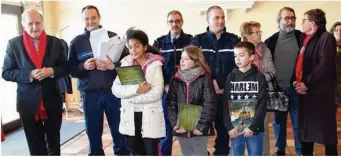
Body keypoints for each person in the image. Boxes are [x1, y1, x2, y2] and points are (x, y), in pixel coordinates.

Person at [1, 9, 68, 155]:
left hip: (52, 101)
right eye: (30, 23)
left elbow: (65, 68)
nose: (35, 27)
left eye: (38, 23)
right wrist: (29, 74)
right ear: (23, 24)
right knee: (35, 145)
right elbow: (6, 73)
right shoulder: (14, 44)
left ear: (42, 23)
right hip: (27, 103)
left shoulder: (56, 43)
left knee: (54, 142)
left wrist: (51, 71)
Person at [67, 5, 130, 155]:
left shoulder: (114, 37)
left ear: (99, 17)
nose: (90, 22)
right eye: (86, 19)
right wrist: (83, 66)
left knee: (118, 129)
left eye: (93, 18)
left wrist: (111, 66)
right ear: (82, 20)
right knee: (93, 132)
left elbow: (128, 63)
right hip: (90, 95)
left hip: (113, 92)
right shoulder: (76, 42)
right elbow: (70, 70)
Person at [191, 5, 240, 155]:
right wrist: (210, 80)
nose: (220, 21)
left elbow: (239, 64)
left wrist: (227, 84)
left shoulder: (233, 39)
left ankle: (222, 152)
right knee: (202, 125)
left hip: (226, 92)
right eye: (216, 17)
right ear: (207, 19)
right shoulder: (197, 40)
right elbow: (194, 64)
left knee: (224, 126)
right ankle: (201, 152)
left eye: (222, 17)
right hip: (203, 92)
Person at [112, 28, 165, 156]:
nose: (133, 50)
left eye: (137, 46)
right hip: (130, 114)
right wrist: (137, 90)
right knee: (136, 151)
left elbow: (157, 92)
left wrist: (131, 97)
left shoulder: (155, 64)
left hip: (149, 114)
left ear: (145, 47)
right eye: (130, 47)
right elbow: (115, 89)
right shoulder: (126, 63)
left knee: (151, 152)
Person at [292, 8, 338, 155]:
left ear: (313, 23)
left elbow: (324, 65)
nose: (301, 23)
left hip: (320, 95)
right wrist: (296, 81)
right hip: (306, 94)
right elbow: (300, 63)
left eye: (304, 20)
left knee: (326, 134)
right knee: (306, 133)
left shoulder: (327, 37)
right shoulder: (305, 39)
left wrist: (306, 83)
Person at [153, 10, 192, 156]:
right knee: (166, 128)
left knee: (187, 125)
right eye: (171, 21)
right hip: (166, 91)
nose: (174, 24)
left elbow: (195, 64)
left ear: (182, 22)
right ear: (167, 23)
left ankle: (190, 153)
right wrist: (164, 85)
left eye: (177, 21)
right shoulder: (159, 43)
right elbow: (155, 66)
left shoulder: (190, 41)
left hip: (187, 90)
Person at [264, 7, 302, 156]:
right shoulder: (271, 41)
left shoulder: (302, 38)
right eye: (286, 18)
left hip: (296, 88)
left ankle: (300, 151)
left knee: (298, 123)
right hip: (278, 89)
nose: (290, 21)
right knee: (278, 123)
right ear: (278, 21)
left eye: (292, 18)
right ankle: (280, 150)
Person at [167, 46, 216, 156]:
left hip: (199, 128)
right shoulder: (175, 80)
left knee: (199, 153)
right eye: (181, 58)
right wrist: (175, 123)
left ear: (196, 61)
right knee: (186, 153)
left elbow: (210, 104)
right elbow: (171, 104)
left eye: (186, 59)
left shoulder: (205, 78)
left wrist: (201, 126)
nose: (182, 61)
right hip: (182, 128)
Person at [223, 41, 267, 156]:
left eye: (241, 55)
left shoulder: (260, 78)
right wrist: (229, 126)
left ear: (252, 57)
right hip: (235, 129)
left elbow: (262, 105)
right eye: (235, 56)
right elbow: (225, 104)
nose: (237, 59)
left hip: (255, 129)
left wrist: (252, 127)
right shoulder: (231, 77)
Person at [240, 21, 276, 156]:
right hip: (244, 96)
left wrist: (258, 80)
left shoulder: (265, 49)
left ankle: (264, 154)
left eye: (260, 31)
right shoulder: (239, 49)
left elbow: (272, 71)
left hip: (262, 93)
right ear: (247, 35)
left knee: (263, 128)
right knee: (243, 128)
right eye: (257, 32)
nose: (260, 34)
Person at [330, 21, 341, 106]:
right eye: (336, 30)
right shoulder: (327, 47)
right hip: (332, 86)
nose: (339, 32)